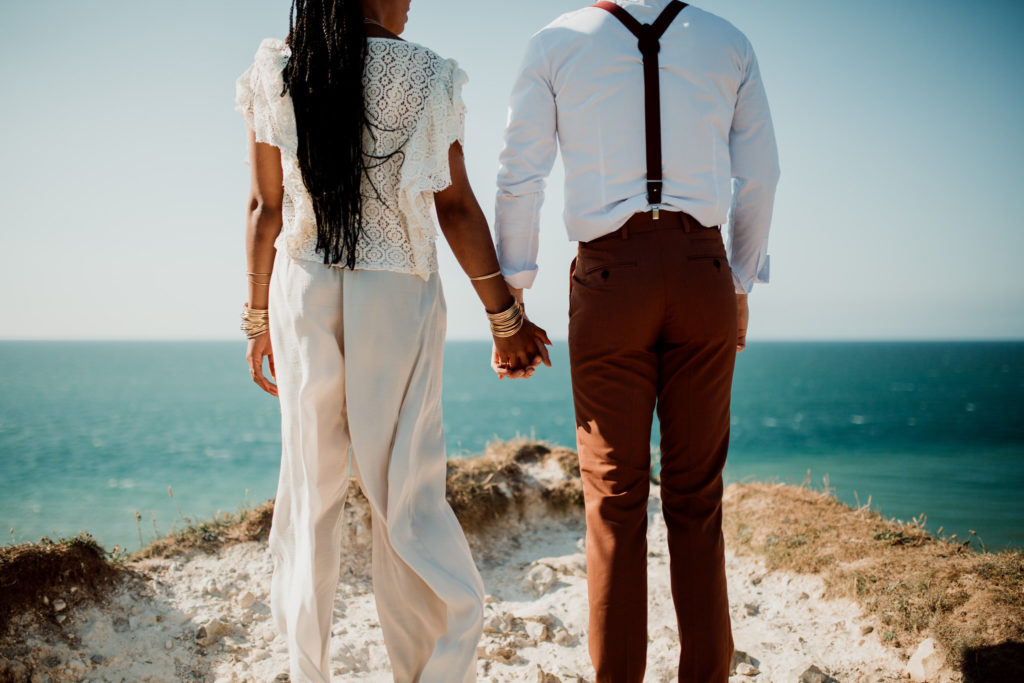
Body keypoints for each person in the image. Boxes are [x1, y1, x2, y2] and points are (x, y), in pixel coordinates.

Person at [235, 0, 551, 680]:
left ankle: (306, 669)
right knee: (405, 496)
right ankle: (432, 668)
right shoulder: (426, 74)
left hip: (303, 290)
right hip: (397, 292)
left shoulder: (278, 65)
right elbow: (455, 205)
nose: (412, 4)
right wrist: (507, 320)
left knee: (309, 494)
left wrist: (258, 318)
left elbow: (266, 209)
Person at [493, 1, 779, 680]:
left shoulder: (554, 42)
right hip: (702, 271)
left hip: (609, 277)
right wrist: (739, 284)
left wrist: (515, 297)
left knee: (615, 501)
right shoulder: (728, 41)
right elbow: (761, 174)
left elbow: (519, 175)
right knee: (696, 498)